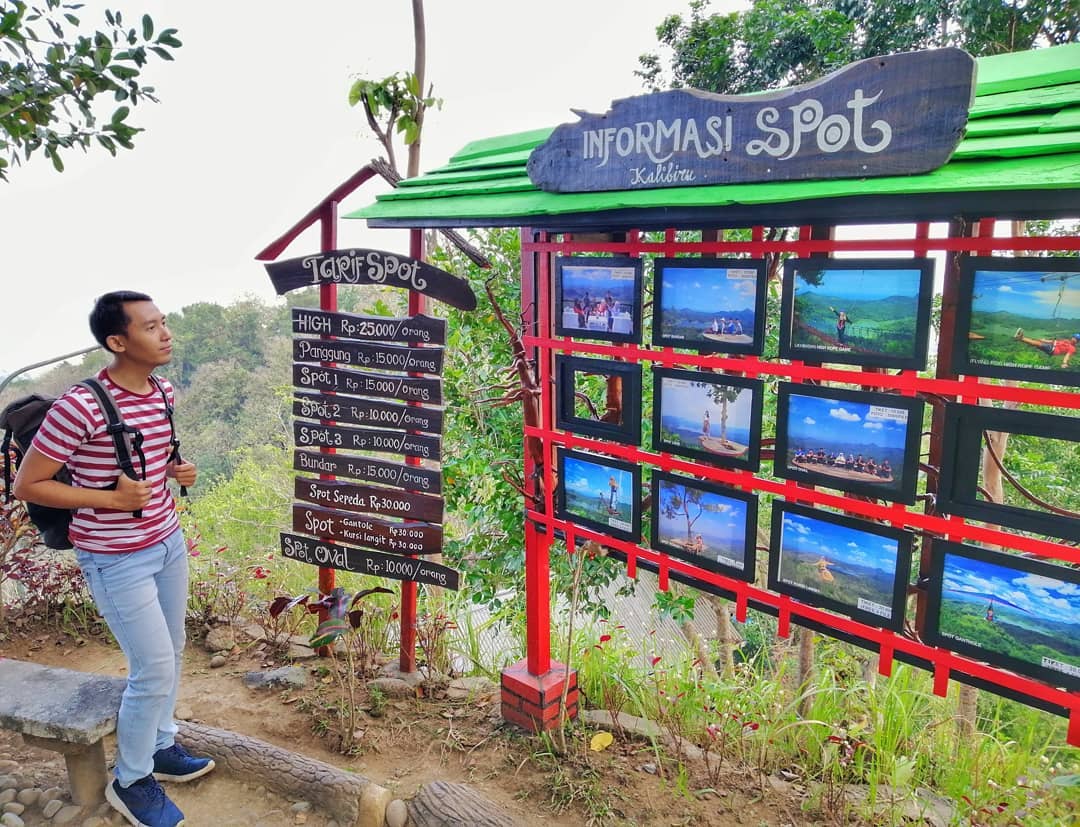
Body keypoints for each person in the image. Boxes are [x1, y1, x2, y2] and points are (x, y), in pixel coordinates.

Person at [13, 291, 212, 827]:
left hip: (167, 541)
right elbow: (27, 483)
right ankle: (130, 779)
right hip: (115, 556)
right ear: (118, 342)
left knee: (171, 647)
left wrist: (179, 471)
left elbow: (154, 456)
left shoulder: (162, 390)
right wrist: (113, 501)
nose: (165, 333)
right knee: (153, 668)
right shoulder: (78, 407)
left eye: (164, 322)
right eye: (151, 327)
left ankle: (161, 746)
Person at [1013, 328, 1080, 368]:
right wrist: (1045, 340)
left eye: (1076, 339)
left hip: (1052, 350)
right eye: (1074, 337)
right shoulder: (1067, 341)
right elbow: (1054, 341)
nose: (1074, 339)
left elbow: (1067, 356)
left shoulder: (1072, 348)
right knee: (1036, 342)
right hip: (1051, 346)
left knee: (1037, 343)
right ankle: (1020, 338)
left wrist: (1064, 363)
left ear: (1077, 341)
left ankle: (1020, 338)